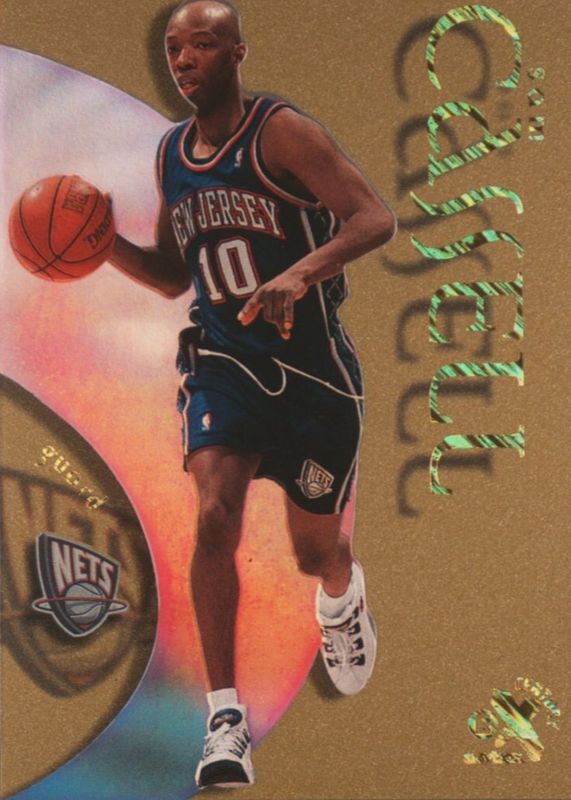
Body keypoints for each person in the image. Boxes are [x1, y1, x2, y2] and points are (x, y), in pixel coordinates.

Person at [109, 0, 396, 789]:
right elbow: (173, 275)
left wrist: (300, 274)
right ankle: (224, 721)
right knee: (213, 516)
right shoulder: (172, 154)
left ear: (237, 52)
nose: (184, 60)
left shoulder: (281, 134)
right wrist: (103, 247)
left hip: (312, 376)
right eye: (174, 48)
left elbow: (373, 218)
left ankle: (339, 598)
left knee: (313, 552)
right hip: (223, 363)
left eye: (201, 44)